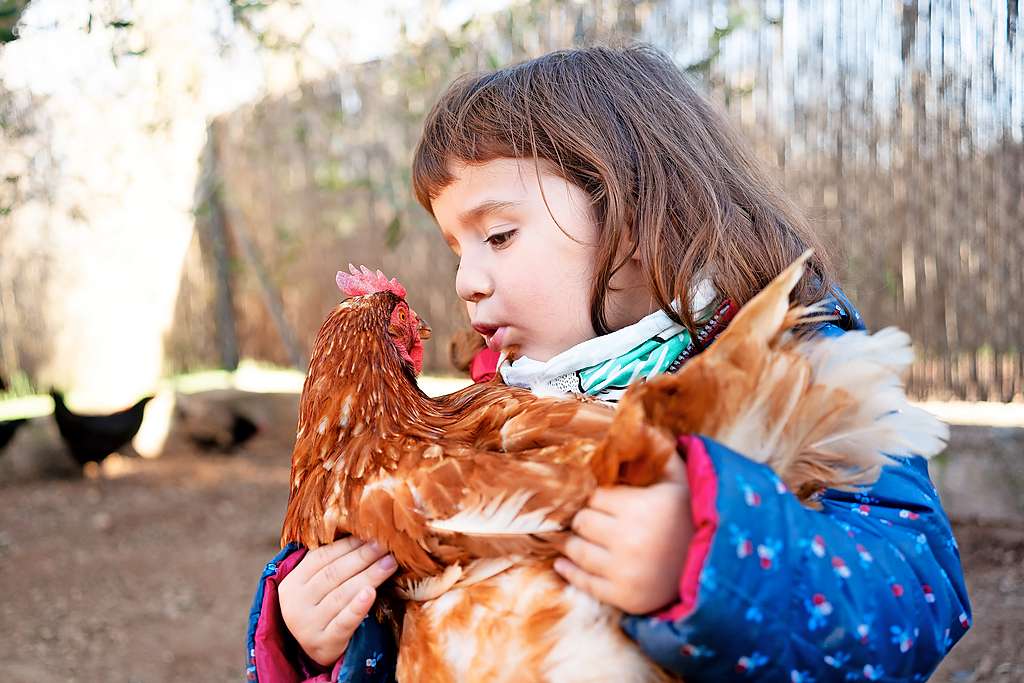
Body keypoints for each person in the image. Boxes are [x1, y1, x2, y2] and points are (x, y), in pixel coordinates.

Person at [245, 45, 970, 682]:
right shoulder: (488, 416)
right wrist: (317, 641)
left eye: (497, 235)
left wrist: (705, 562)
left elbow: (916, 598)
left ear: (630, 214)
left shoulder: (793, 371)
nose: (467, 278)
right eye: (455, 249)